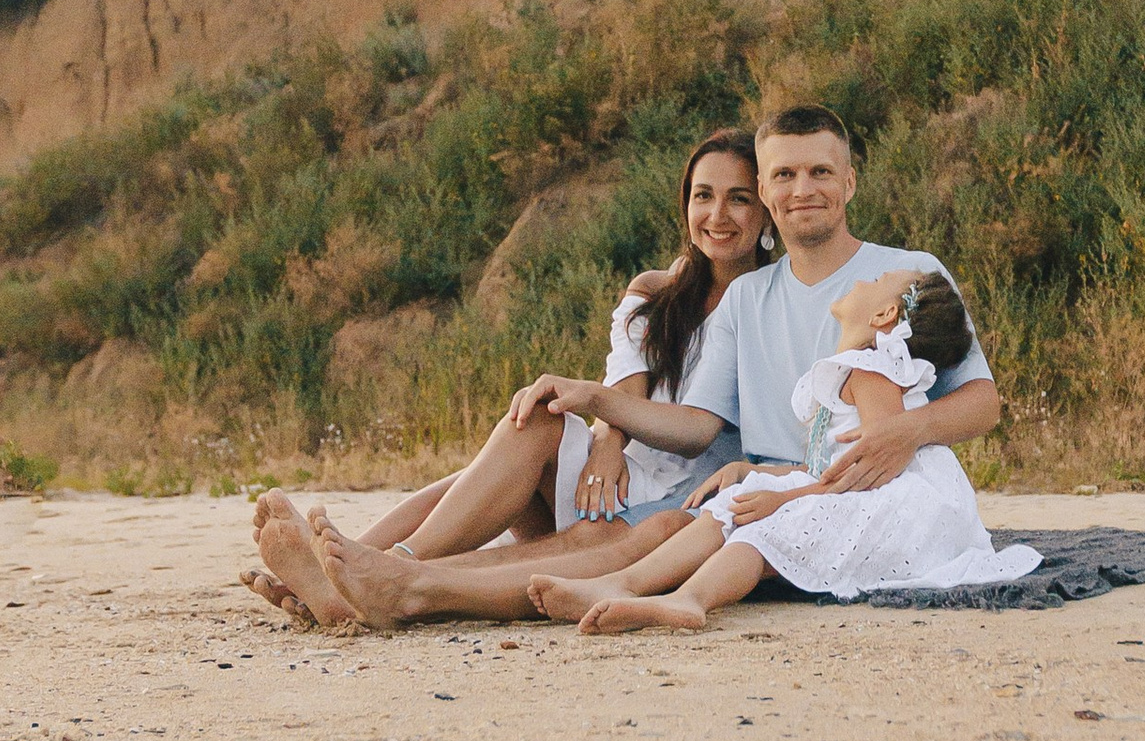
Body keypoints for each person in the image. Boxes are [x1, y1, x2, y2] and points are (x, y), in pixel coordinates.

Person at [246, 129, 768, 627]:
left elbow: (694, 427)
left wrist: (593, 402)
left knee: (600, 526)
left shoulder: (773, 302)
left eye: (739, 199)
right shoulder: (657, 292)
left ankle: (376, 578)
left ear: (765, 210)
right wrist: (608, 445)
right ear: (686, 205)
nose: (717, 215)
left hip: (688, 495)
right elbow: (624, 394)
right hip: (625, 473)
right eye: (704, 196)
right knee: (537, 419)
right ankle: (361, 562)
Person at [527, 266, 1037, 632]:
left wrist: (789, 498)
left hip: (903, 507)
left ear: (883, 313)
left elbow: (880, 467)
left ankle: (688, 600)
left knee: (763, 524)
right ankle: (622, 583)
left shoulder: (873, 372)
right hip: (848, 487)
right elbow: (833, 463)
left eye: (879, 280)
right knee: (733, 501)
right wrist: (756, 470)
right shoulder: (853, 370)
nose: (867, 277)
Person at [672, 99, 1002, 488]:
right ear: (763, 190)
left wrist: (908, 431)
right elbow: (696, 425)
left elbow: (982, 402)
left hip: (865, 489)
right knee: (662, 526)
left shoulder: (908, 275)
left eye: (820, 172)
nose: (802, 189)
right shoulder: (746, 296)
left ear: (849, 183)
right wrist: (599, 408)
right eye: (784, 174)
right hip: (767, 486)